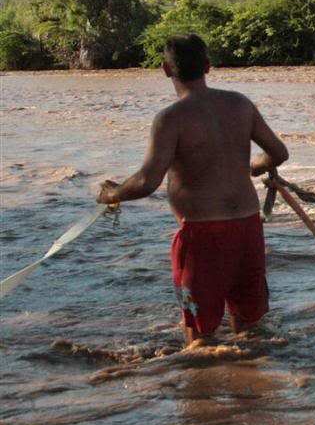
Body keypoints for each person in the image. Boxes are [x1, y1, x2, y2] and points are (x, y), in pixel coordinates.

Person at [96, 35, 289, 344]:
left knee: (200, 338)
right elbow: (279, 154)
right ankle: (256, 389)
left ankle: (201, 391)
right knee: (251, 331)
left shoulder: (170, 119)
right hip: (248, 229)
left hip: (203, 237)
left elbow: (147, 181)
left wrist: (113, 194)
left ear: (165, 69)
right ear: (208, 67)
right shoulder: (240, 103)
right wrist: (252, 167)